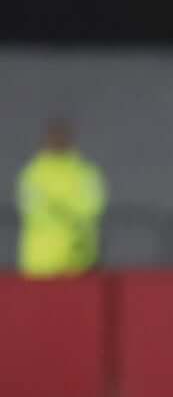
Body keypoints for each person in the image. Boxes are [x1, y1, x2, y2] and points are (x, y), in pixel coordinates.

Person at [15, 119, 108, 278]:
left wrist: (55, 206)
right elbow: (32, 208)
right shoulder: (33, 172)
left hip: (79, 261)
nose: (57, 141)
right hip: (40, 263)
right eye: (53, 137)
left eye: (61, 136)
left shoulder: (85, 172)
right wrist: (67, 210)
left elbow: (92, 208)